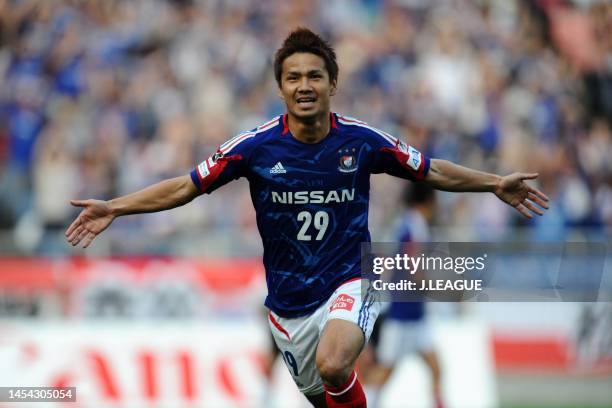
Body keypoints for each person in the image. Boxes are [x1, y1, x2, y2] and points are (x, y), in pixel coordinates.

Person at [65, 28, 549, 408]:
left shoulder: (362, 141)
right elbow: (184, 186)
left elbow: (431, 169)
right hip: (288, 308)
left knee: (336, 363)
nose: (304, 86)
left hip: (351, 279)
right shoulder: (253, 149)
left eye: (314, 76)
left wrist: (493, 182)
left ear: (332, 83)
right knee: (329, 392)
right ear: (280, 87)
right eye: (293, 77)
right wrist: (117, 206)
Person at [364, 183, 445, 408]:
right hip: (403, 315)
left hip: (413, 314)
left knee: (435, 368)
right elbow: (413, 269)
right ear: (428, 200)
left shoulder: (406, 224)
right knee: (385, 372)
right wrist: (440, 290)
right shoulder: (416, 226)